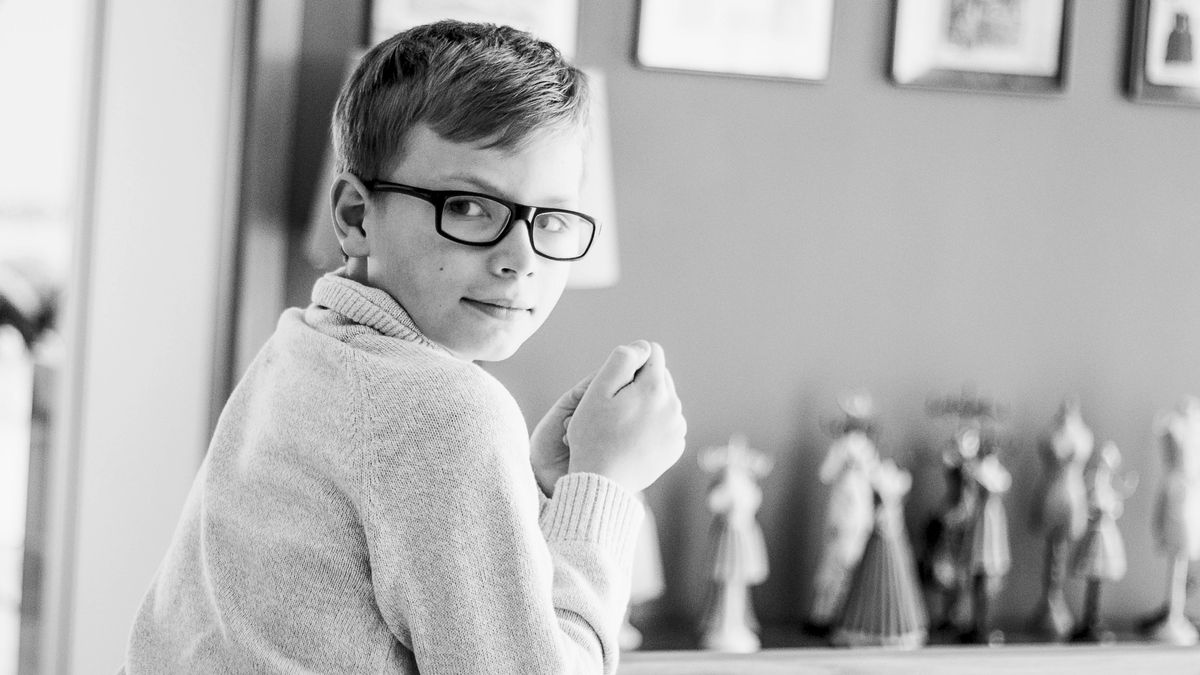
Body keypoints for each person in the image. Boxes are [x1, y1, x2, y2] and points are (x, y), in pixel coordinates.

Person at [121, 20, 687, 674]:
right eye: (469, 206)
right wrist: (605, 487)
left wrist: (536, 489)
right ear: (356, 216)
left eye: (552, 218)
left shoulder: (300, 349)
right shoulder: (447, 413)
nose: (521, 258)